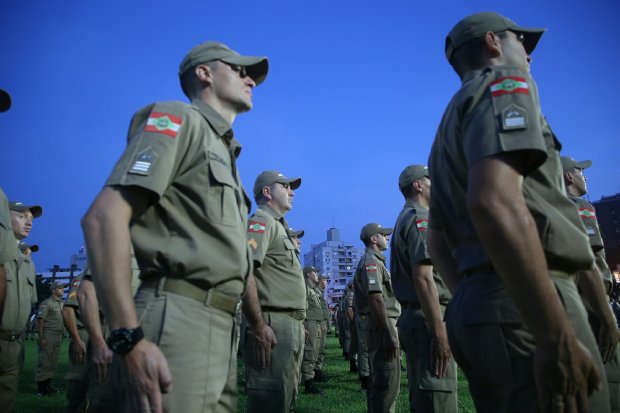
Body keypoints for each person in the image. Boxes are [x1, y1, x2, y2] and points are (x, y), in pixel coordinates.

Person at [428, 11, 610, 412]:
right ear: (494, 42)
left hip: (484, 302)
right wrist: (552, 334)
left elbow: (437, 241)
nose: (527, 54)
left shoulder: (448, 127)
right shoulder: (505, 85)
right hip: (529, 302)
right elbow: (493, 201)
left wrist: (477, 296)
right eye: (520, 42)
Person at [81, 41, 268, 413]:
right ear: (204, 73)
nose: (250, 79)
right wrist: (128, 338)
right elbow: (103, 218)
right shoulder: (178, 119)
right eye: (238, 69)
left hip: (218, 323)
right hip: (179, 317)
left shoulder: (223, 151)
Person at [391, 165, 456, 413]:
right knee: (438, 399)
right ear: (418, 185)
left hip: (419, 316)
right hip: (428, 318)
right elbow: (424, 278)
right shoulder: (421, 218)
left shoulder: (407, 217)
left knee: (426, 396)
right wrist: (439, 331)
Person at [242, 170, 306, 413]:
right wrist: (258, 325)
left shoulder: (279, 227)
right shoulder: (261, 222)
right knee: (269, 401)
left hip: (288, 324)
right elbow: (244, 271)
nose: (291, 192)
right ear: (267, 192)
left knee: (285, 398)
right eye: (286, 186)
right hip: (271, 323)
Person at [562, 156, 620, 412]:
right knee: (608, 387)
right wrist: (608, 317)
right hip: (592, 307)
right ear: (568, 177)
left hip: (570, 307)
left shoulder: (551, 210)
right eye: (580, 171)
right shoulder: (580, 208)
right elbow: (590, 262)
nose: (584, 176)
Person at [353, 223, 401, 413]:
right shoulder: (371, 262)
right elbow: (376, 299)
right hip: (380, 325)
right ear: (374, 239)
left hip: (379, 325)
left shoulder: (376, 261)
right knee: (386, 384)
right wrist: (388, 334)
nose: (387, 237)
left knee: (382, 383)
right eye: (383, 234)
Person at [0, 201, 41, 411]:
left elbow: (29, 303)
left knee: (7, 403)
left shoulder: (28, 263)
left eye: (31, 219)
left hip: (15, 345)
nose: (29, 223)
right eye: (22, 216)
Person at [62, 273, 90, 412]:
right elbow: (68, 310)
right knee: (79, 386)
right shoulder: (81, 279)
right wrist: (77, 340)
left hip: (107, 335)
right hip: (85, 335)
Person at [36, 281, 67, 396]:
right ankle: (41, 390)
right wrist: (41, 338)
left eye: (63, 288)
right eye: (60, 288)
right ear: (53, 290)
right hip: (48, 334)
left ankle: (47, 387)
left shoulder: (62, 304)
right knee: (44, 362)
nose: (62, 289)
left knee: (52, 363)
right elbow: (40, 321)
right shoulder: (47, 303)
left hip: (59, 335)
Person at [301, 266, 324, 395]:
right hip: (309, 324)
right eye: (315, 272)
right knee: (309, 353)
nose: (317, 275)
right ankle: (308, 384)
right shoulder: (305, 289)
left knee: (314, 352)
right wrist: (303, 326)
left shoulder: (312, 290)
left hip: (315, 324)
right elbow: (302, 307)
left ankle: (311, 379)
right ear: (309, 274)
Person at [315, 274, 330, 382]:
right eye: (325, 280)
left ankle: (317, 369)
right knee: (317, 348)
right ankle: (316, 371)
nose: (326, 282)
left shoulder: (320, 293)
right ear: (320, 281)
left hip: (322, 322)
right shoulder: (316, 292)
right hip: (318, 323)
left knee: (321, 348)